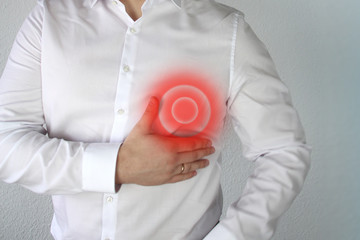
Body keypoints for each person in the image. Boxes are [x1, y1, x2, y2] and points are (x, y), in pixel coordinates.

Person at [0, 0, 311, 239]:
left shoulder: (225, 30)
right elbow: (5, 140)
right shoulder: (50, 17)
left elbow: (283, 151)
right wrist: (118, 165)